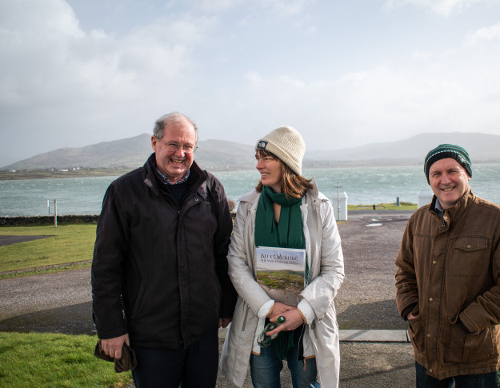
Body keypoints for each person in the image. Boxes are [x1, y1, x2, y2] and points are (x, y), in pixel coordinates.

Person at [91, 112, 237, 388]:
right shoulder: (123, 192)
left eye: (188, 146)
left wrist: (225, 305)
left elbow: (224, 253)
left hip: (202, 332)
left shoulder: (211, 187)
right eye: (173, 144)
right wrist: (110, 328)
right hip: (150, 335)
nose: (180, 153)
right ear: (154, 142)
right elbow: (105, 267)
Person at [395, 144, 500, 388]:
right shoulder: (418, 221)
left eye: (452, 171)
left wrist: (469, 322)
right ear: (429, 180)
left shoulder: (498, 220)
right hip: (428, 350)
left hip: (475, 353)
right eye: (436, 174)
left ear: (467, 174)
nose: (445, 180)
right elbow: (405, 271)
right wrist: (409, 308)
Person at [220, 126, 345, 388]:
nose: (258, 165)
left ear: (287, 162)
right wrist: (268, 308)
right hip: (260, 318)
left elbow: (334, 270)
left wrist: (303, 312)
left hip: (307, 321)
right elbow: (236, 264)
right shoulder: (247, 207)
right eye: (257, 158)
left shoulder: (319, 207)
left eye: (266, 158)